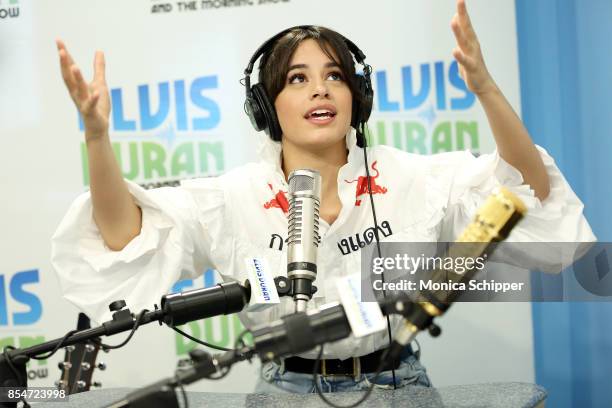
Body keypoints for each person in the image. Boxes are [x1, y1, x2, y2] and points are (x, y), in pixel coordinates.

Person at [51, 0, 594, 395]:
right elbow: (121, 237)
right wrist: (97, 138)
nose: (320, 89)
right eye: (297, 79)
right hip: (284, 390)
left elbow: (531, 194)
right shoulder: (234, 196)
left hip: (398, 383)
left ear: (356, 97)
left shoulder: (412, 177)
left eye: (335, 75)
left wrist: (486, 90)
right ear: (267, 108)